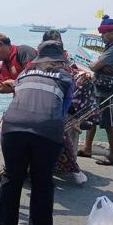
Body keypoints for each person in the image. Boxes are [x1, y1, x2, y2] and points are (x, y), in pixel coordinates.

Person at [0, 41, 73, 225]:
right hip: (47, 130)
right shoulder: (66, 78)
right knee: (42, 182)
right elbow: (63, 111)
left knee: (12, 177)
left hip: (12, 128)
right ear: (60, 60)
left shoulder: (23, 74)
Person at [78, 15, 113, 166]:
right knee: (92, 119)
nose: (102, 36)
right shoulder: (110, 47)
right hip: (100, 89)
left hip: (109, 92)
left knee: (108, 123)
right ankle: (87, 148)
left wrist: (99, 65)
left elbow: (93, 66)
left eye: (104, 33)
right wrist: (101, 65)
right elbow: (97, 65)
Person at [42, 30, 87, 185]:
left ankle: (70, 167)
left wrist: (82, 75)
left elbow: (74, 74)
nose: (59, 46)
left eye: (60, 42)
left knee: (64, 131)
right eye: (55, 43)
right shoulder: (39, 60)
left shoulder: (67, 59)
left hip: (62, 102)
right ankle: (72, 169)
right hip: (47, 103)